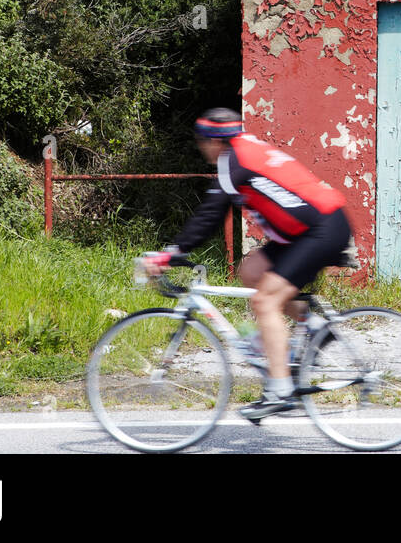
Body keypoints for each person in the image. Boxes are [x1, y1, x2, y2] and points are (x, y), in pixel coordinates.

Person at [146, 107, 352, 420]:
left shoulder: (234, 161)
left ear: (215, 142)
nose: (202, 148)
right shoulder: (244, 151)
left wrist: (171, 252)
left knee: (265, 301)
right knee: (251, 271)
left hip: (320, 230)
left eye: (202, 142)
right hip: (306, 230)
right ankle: (312, 325)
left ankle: (280, 391)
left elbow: (211, 214)